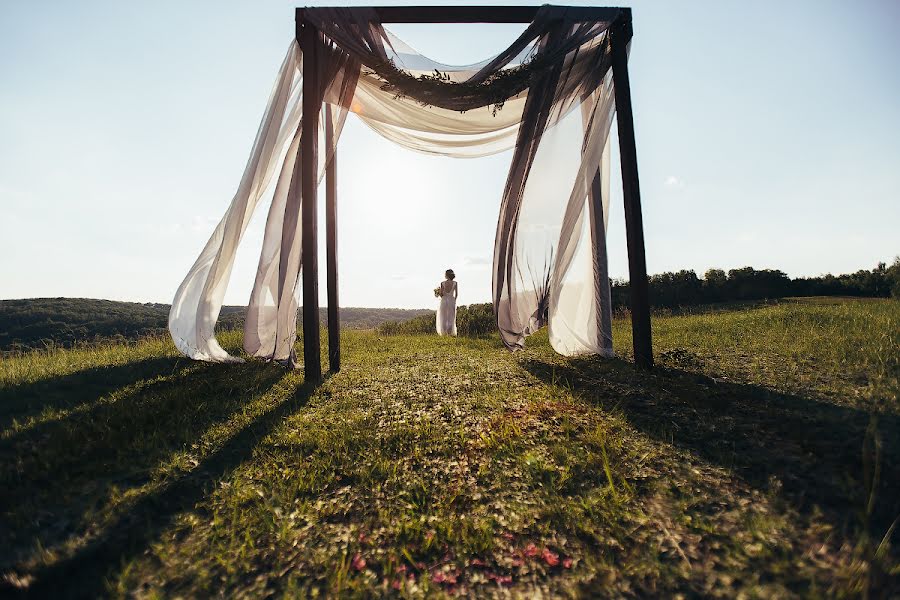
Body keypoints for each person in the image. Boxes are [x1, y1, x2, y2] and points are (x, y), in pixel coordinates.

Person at [435, 268, 458, 336]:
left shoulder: (442, 283)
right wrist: (454, 300)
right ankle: (450, 332)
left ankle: (444, 332)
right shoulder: (455, 283)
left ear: (446, 275)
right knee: (451, 316)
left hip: (444, 300)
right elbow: (456, 294)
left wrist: (438, 293)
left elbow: (441, 294)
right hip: (451, 300)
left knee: (443, 316)